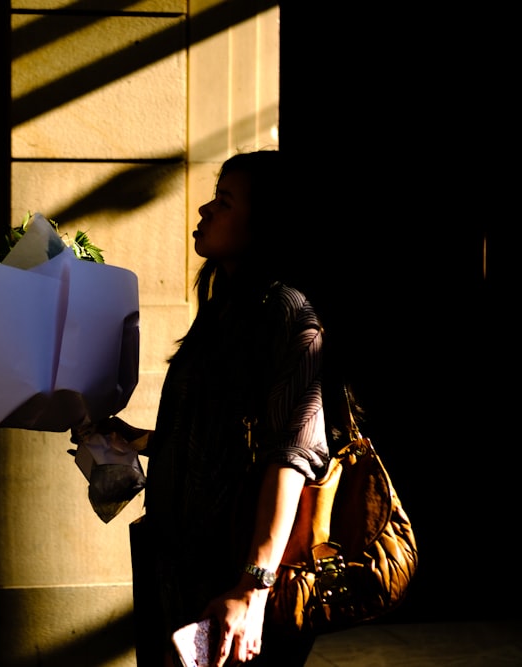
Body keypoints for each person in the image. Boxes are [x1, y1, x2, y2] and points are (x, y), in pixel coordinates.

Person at [100, 149, 337, 666]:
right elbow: (217, 438)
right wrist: (133, 438)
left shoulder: (287, 314)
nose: (205, 211)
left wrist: (251, 590)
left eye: (224, 202)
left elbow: (289, 457)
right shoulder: (225, 310)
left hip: (233, 581)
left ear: (265, 224)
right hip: (179, 568)